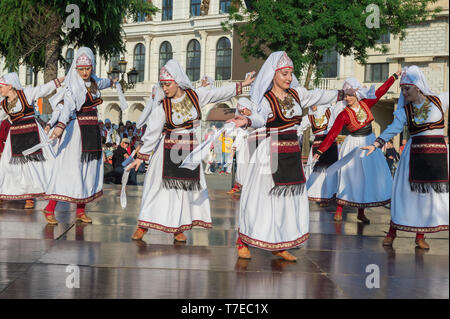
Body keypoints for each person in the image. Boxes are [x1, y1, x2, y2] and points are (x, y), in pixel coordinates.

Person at [229, 51, 345, 261]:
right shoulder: (266, 100)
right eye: (284, 73)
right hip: (271, 155)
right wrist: (246, 122)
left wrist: (342, 94)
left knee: (288, 201)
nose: (289, 78)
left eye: (291, 73)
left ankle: (280, 242)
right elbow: (258, 117)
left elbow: (319, 95)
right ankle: (242, 240)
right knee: (262, 199)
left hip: (291, 152)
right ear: (273, 75)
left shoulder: (297, 94)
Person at [128, 59, 255, 242]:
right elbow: (153, 131)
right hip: (167, 150)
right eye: (163, 85)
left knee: (184, 191)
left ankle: (178, 228)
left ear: (177, 82)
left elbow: (218, 93)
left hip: (189, 149)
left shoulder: (194, 96)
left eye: (168, 85)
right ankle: (143, 225)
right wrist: (141, 156)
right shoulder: (163, 106)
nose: (165, 89)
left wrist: (243, 85)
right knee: (157, 188)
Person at [362, 65, 448, 249]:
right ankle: (392, 232)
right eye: (401, 89)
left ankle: (420, 237)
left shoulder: (440, 100)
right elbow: (392, 129)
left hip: (437, 158)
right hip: (414, 156)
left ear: (418, 86)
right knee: (406, 196)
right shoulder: (404, 112)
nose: (404, 93)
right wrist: (376, 144)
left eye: (406, 88)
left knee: (428, 199)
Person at [313, 72, 401, 223]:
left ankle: (361, 212)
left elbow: (381, 91)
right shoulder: (343, 114)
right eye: (345, 96)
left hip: (369, 142)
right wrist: (320, 150)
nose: (347, 98)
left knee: (367, 177)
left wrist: (394, 77)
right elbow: (333, 133)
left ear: (357, 93)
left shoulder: (367, 103)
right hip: (353, 145)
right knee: (348, 176)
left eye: (350, 95)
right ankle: (340, 208)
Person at [42, 47, 116, 225]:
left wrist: (114, 81)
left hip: (91, 130)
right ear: (75, 68)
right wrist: (59, 126)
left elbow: (104, 82)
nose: (84, 72)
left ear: (92, 66)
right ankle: (50, 208)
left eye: (87, 68)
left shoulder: (95, 82)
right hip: (76, 132)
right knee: (68, 170)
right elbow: (67, 106)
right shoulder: (73, 85)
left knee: (87, 170)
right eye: (81, 69)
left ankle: (81, 211)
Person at [0, 72, 63, 209]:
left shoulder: (26, 94)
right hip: (15, 137)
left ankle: (34, 195)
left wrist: (62, 79)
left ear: (10, 86)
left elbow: (44, 89)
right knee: (10, 167)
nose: (0, 89)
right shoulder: (4, 104)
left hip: (33, 134)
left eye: (1, 86)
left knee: (38, 166)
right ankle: (8, 192)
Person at [297, 102, 345, 206]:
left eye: (316, 103)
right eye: (312, 104)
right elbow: (298, 128)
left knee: (331, 172)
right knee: (316, 173)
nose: (313, 106)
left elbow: (341, 106)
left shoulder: (331, 111)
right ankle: (319, 195)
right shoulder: (309, 117)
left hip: (331, 145)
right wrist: (296, 140)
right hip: (317, 145)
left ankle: (331, 194)